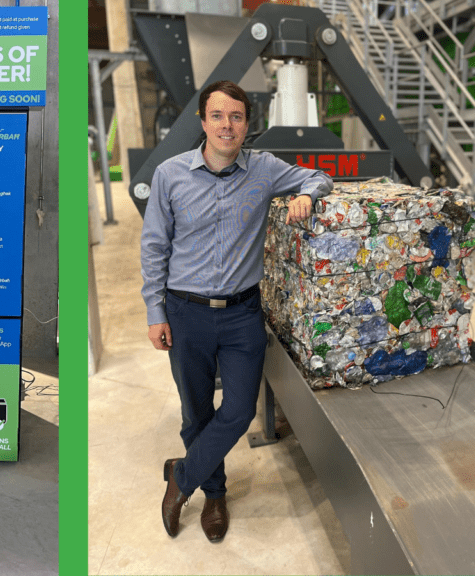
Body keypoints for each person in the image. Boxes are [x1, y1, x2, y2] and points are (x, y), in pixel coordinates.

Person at [140, 80, 333, 543]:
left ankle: (181, 477)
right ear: (202, 121)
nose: (228, 126)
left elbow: (319, 175)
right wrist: (154, 310)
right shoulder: (170, 174)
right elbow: (153, 247)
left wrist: (307, 193)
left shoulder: (264, 169)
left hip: (243, 313)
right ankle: (215, 494)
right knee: (196, 412)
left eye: (237, 117)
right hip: (185, 312)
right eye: (218, 116)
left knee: (240, 409)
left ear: (248, 123)